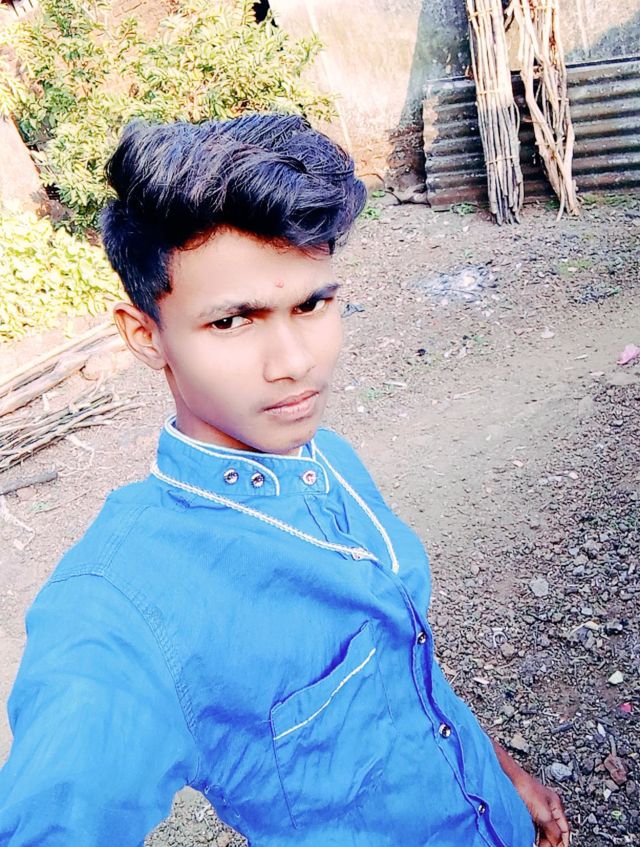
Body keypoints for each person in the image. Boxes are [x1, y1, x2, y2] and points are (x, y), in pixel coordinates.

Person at [0, 115, 570, 847]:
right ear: (145, 336)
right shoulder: (118, 609)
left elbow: (404, 665)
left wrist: (500, 774)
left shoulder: (328, 457)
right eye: (233, 321)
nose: (295, 362)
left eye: (312, 304)